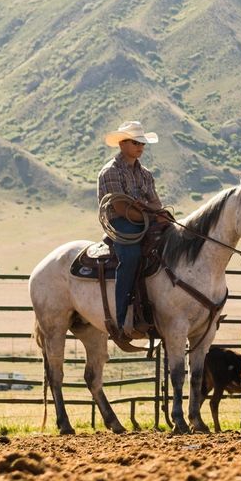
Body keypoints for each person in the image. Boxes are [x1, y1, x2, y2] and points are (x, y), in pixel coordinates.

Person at [96, 120, 171, 335]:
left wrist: (148, 210)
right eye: (135, 142)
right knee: (130, 256)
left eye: (142, 143)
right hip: (120, 223)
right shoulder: (110, 172)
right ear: (122, 144)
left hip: (144, 218)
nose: (140, 147)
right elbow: (120, 208)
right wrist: (150, 214)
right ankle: (120, 319)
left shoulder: (145, 173)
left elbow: (156, 203)